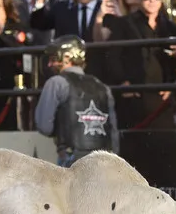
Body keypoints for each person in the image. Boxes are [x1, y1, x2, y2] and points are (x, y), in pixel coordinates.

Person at [34, 35, 119, 168]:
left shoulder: (56, 83)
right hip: (104, 162)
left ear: (67, 57)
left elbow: (44, 126)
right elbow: (113, 133)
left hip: (71, 160)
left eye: (53, 59)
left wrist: (60, 128)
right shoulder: (103, 87)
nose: (50, 64)